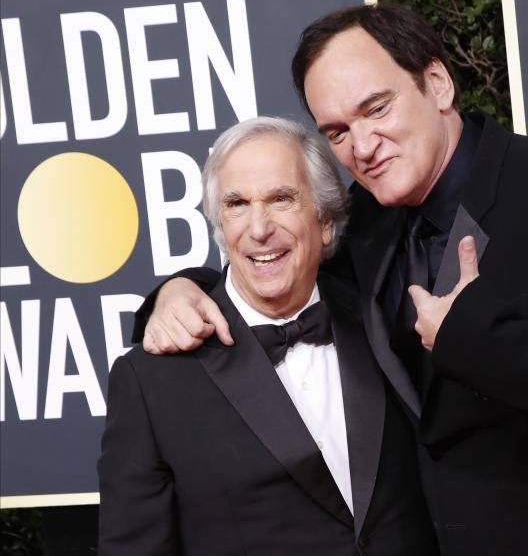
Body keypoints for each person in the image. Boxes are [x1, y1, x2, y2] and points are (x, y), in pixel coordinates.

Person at [134, 5, 528, 555]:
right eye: (336, 131)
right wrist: (178, 290)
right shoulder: (368, 224)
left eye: (377, 108)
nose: (361, 146)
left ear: (437, 83)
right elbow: (276, 255)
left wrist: (475, 341)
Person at [98, 117, 438, 556]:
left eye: (281, 199)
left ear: (326, 222)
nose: (258, 229)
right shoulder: (152, 378)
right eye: (237, 204)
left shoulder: (385, 316)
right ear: (220, 225)